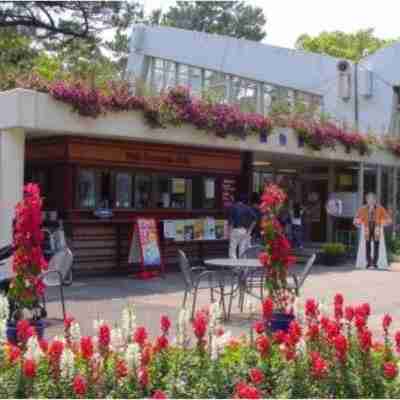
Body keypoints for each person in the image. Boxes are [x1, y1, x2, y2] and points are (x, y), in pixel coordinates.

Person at [354, 192, 392, 269]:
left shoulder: (380, 208)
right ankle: (368, 263)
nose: (371, 200)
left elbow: (388, 219)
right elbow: (356, 219)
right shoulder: (363, 208)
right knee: (367, 245)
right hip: (367, 227)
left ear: (375, 200)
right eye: (369, 199)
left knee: (376, 245)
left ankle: (375, 263)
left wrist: (383, 223)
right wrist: (358, 222)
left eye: (372, 199)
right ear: (366, 200)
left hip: (376, 227)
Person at [228, 193, 257, 258]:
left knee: (232, 250)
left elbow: (231, 222)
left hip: (235, 230)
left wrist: (229, 233)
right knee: (242, 250)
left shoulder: (233, 207)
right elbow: (255, 219)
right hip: (244, 230)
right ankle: (242, 267)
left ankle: (234, 267)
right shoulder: (247, 208)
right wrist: (250, 230)